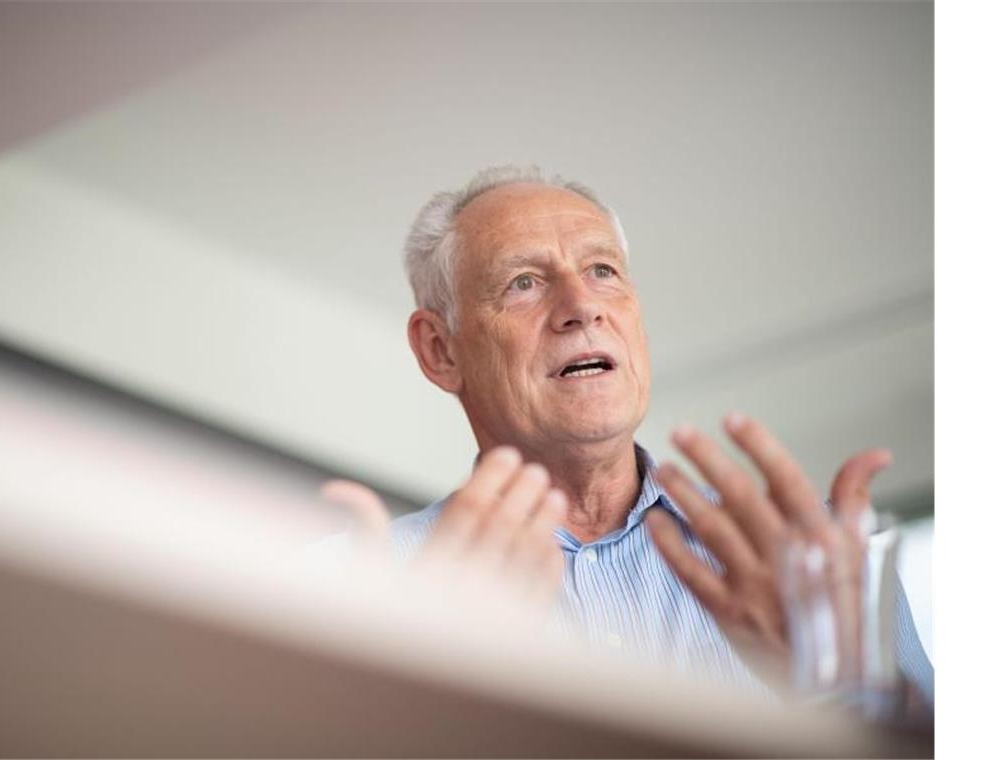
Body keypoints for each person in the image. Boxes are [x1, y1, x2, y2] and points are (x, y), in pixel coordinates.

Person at [323, 165, 933, 709]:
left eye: (602, 270)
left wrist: (843, 692)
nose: (581, 305)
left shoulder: (806, 560)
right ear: (440, 350)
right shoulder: (365, 585)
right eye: (524, 283)